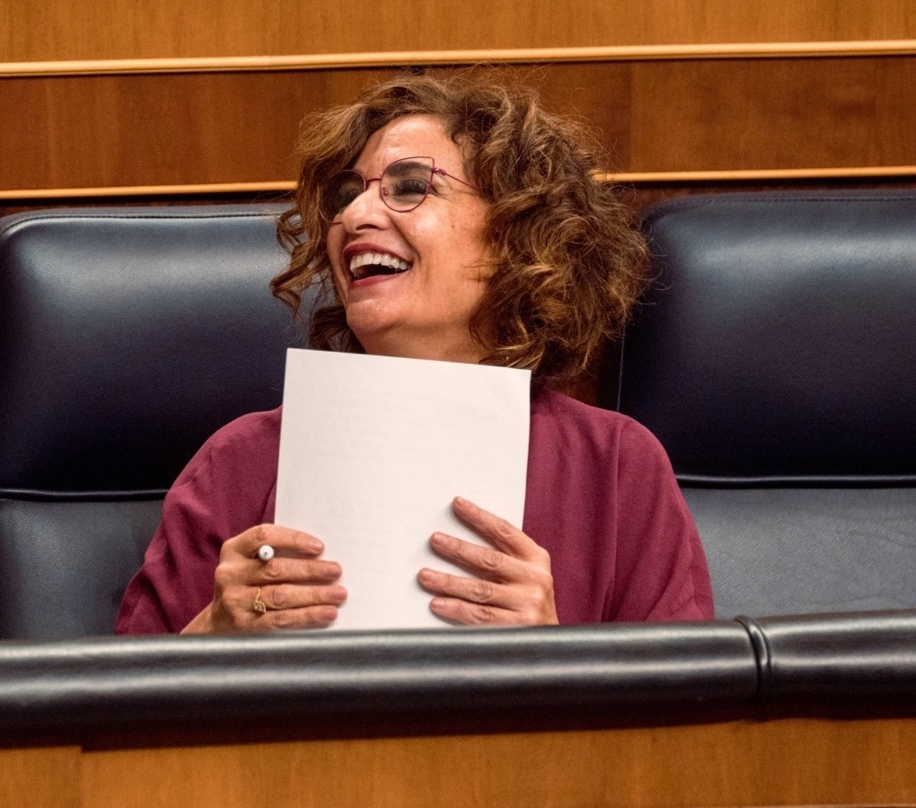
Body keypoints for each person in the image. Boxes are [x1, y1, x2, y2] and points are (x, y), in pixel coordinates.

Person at [116, 73, 713, 634]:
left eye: (409, 186)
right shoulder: (239, 462)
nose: (354, 215)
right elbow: (111, 712)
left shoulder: (616, 466)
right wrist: (210, 636)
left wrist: (552, 655)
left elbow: (687, 729)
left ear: (518, 233)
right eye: (348, 195)